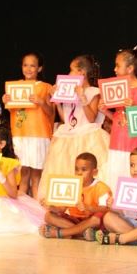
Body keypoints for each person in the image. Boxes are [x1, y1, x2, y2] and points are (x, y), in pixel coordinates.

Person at [38, 54, 109, 199]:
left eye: (71, 70)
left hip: (88, 138)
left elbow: (91, 118)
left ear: (81, 72)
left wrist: (82, 98)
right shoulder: (68, 93)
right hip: (68, 137)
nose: (69, 73)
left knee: (87, 173)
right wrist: (57, 101)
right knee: (65, 172)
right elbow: (67, 120)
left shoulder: (94, 92)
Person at [100, 47, 137, 195]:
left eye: (118, 65)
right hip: (116, 143)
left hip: (135, 146)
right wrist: (105, 111)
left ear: (130, 68)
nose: (115, 69)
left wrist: (135, 107)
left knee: (132, 184)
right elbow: (119, 117)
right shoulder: (118, 88)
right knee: (114, 184)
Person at [2, 52, 54, 198]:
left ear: (39, 68)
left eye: (33, 65)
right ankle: (22, 214)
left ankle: (37, 214)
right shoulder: (14, 87)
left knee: (37, 177)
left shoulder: (46, 87)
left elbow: (51, 113)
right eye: (25, 65)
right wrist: (6, 100)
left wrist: (42, 102)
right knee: (23, 176)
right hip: (20, 135)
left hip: (39, 135)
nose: (29, 69)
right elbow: (12, 109)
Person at [38, 152, 112, 239]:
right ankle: (83, 234)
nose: (79, 173)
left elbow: (106, 209)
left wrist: (89, 208)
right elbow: (61, 209)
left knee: (96, 219)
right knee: (48, 216)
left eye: (84, 170)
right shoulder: (72, 185)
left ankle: (61, 233)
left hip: (91, 221)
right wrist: (50, 206)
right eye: (76, 169)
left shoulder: (101, 187)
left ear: (94, 172)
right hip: (75, 221)